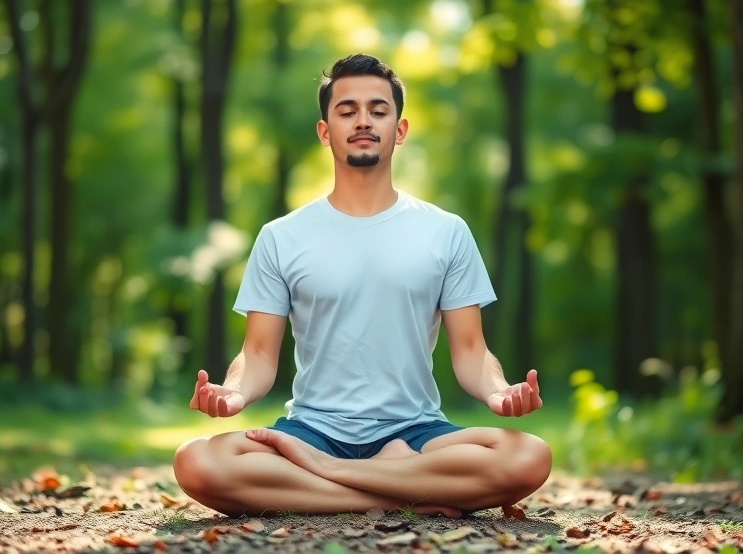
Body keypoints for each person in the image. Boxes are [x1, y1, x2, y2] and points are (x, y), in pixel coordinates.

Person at [173, 54, 551, 517]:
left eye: (378, 109)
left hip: (414, 433)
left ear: (401, 128)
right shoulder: (281, 236)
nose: (363, 120)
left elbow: (471, 351)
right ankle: (402, 493)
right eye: (347, 110)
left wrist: (497, 391)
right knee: (196, 462)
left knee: (529, 455)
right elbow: (257, 354)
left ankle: (323, 477)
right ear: (325, 131)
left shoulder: (446, 231)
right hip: (313, 430)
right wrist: (233, 392)